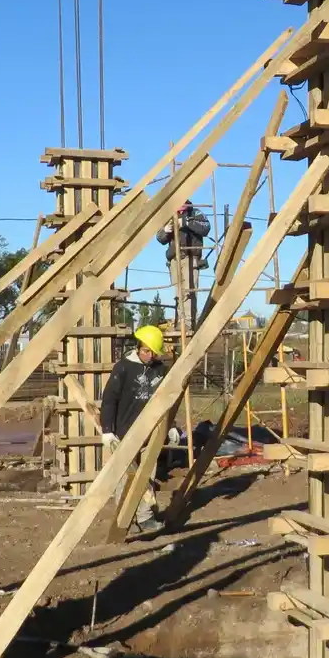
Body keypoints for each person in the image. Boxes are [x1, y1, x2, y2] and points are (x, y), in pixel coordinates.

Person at [100, 325, 178, 533]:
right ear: (138, 348)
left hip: (150, 433)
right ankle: (124, 520)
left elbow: (166, 401)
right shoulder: (123, 368)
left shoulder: (160, 369)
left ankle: (145, 518)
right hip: (124, 433)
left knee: (147, 476)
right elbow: (109, 400)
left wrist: (170, 426)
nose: (149, 356)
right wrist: (107, 430)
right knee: (125, 478)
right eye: (146, 351)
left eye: (153, 352)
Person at [156, 200, 210, 327]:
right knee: (178, 292)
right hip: (175, 258)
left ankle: (188, 323)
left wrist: (186, 222)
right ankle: (181, 321)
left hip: (190, 257)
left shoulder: (194, 212)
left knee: (189, 291)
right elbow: (160, 238)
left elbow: (206, 228)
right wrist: (165, 231)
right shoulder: (170, 215)